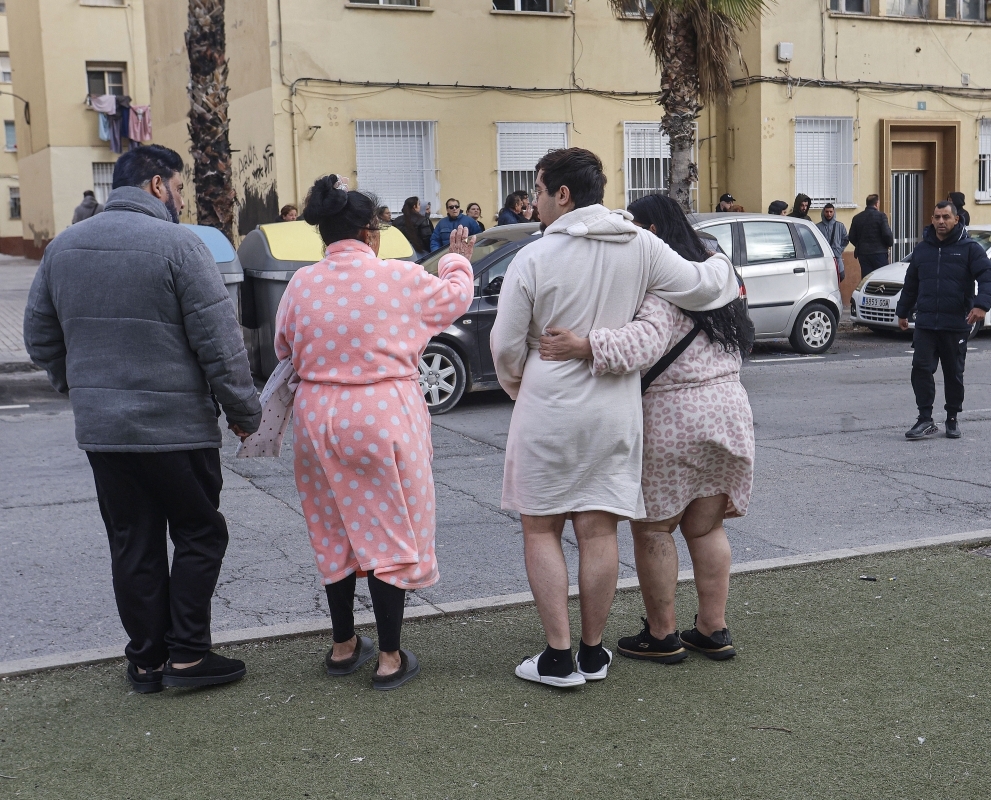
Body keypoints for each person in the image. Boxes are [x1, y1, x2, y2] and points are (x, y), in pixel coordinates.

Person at [489, 148, 738, 688]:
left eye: (538, 190)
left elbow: (505, 345)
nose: (534, 201)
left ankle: (558, 658)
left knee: (541, 527)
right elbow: (704, 286)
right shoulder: (640, 244)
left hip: (550, 403)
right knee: (599, 528)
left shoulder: (534, 256)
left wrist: (521, 383)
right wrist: (722, 260)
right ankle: (592, 652)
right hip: (615, 406)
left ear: (563, 195)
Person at [24, 144, 262, 694]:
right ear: (157, 184)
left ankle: (148, 662)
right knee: (200, 534)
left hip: (105, 435)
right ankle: (189, 657)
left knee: (133, 543)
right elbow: (220, 344)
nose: (180, 198)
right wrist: (244, 412)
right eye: (178, 187)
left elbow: (39, 338)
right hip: (177, 430)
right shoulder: (180, 245)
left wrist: (82, 388)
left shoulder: (62, 248)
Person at [274, 175, 475, 690]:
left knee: (331, 526)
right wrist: (456, 259)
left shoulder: (301, 283)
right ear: (370, 232)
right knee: (390, 526)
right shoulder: (399, 277)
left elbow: (283, 348)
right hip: (381, 410)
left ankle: (343, 646)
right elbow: (456, 298)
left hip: (316, 414)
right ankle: (389, 657)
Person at [537, 193, 754, 664]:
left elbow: (643, 344)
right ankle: (712, 629)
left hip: (672, 417)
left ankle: (662, 634)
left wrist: (585, 346)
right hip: (730, 409)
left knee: (655, 529)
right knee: (707, 527)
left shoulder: (661, 286)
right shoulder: (718, 277)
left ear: (652, 233)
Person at [895, 201, 991, 440]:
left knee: (953, 373)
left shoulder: (970, 248)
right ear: (932, 219)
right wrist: (903, 311)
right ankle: (925, 419)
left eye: (945, 217)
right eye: (937, 217)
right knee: (921, 368)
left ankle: (952, 418)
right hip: (926, 323)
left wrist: (981, 305)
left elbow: (989, 277)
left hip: (955, 323)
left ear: (956, 220)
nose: (941, 221)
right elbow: (911, 283)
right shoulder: (923, 249)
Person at [848, 194, 895, 278]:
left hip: (863, 254)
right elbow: (887, 234)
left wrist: (860, 245)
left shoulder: (857, 218)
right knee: (882, 277)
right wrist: (888, 244)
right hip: (879, 253)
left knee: (867, 278)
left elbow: (851, 236)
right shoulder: (881, 216)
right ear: (876, 204)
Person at [816, 202, 848, 282]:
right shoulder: (818, 227)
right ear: (823, 212)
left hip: (837, 257)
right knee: (825, 278)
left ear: (834, 212)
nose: (829, 214)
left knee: (841, 275)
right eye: (827, 212)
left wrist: (840, 249)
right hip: (824, 258)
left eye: (831, 212)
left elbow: (846, 239)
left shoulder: (840, 226)